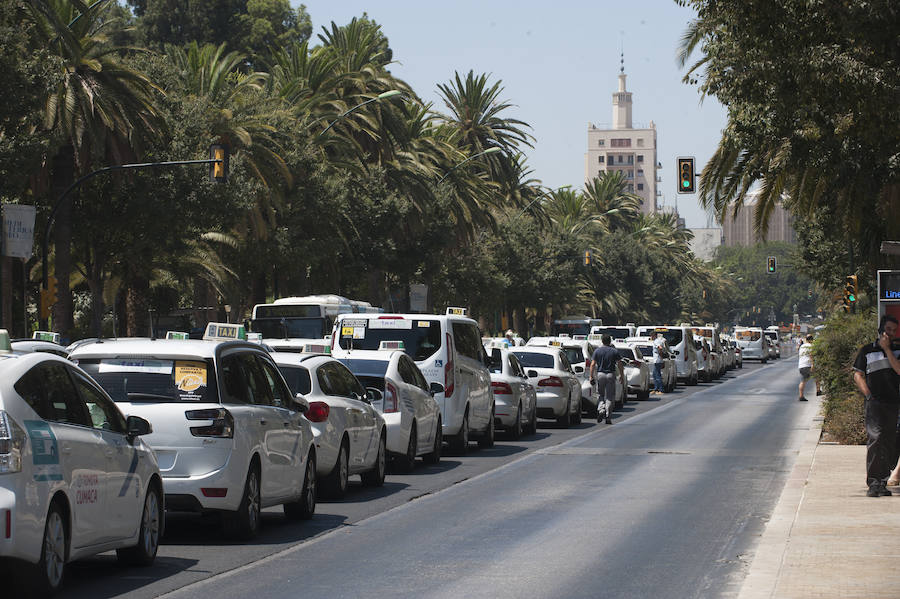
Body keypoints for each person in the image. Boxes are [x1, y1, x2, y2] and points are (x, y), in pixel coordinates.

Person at [852, 314, 900, 497]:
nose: (891, 333)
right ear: (880, 330)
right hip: (874, 403)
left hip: (893, 402)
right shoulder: (866, 351)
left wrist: (887, 349)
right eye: (888, 329)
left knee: (888, 441)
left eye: (894, 331)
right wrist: (868, 395)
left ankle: (882, 482)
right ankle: (873, 482)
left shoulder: (897, 350)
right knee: (876, 439)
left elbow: (898, 369)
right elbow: (858, 374)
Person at [590, 334, 621, 424]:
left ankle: (601, 409)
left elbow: (592, 364)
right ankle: (608, 415)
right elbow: (620, 364)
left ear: (602, 341)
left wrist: (591, 376)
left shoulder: (597, 351)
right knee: (610, 396)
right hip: (611, 374)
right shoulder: (614, 351)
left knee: (600, 395)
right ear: (610, 341)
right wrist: (621, 376)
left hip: (600, 374)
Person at [797, 334, 819, 401]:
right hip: (808, 365)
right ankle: (818, 391)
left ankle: (801, 396)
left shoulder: (802, 346)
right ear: (811, 340)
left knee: (802, 381)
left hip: (801, 365)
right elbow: (811, 355)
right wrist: (812, 364)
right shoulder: (811, 346)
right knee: (817, 376)